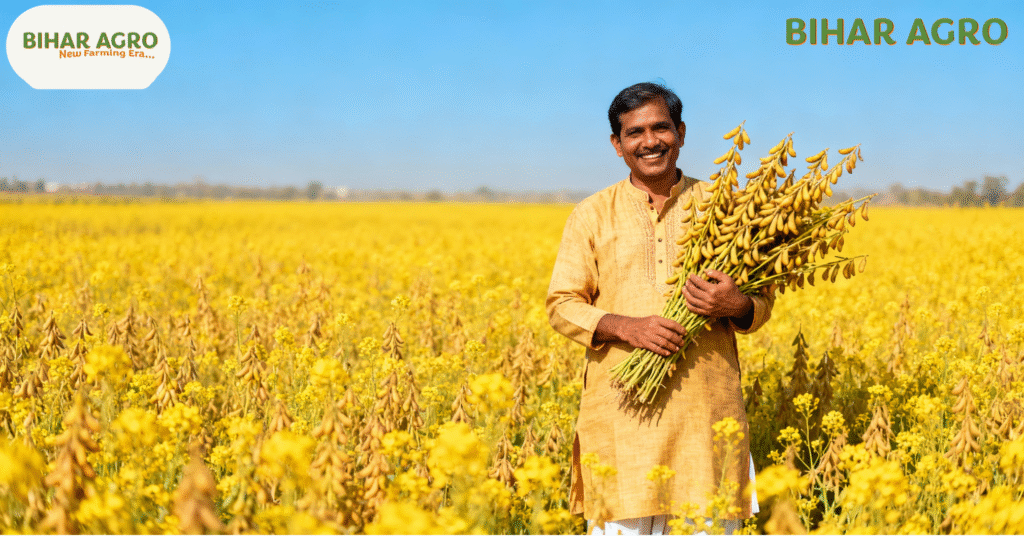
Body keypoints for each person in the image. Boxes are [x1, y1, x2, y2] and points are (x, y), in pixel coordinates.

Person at [546, 82, 774, 535]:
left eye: (660, 128)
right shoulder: (591, 214)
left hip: (706, 416)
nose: (649, 141)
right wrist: (625, 326)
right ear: (617, 145)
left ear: (682, 133)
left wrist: (736, 303)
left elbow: (763, 301)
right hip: (621, 414)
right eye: (635, 133)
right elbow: (561, 304)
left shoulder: (727, 208)